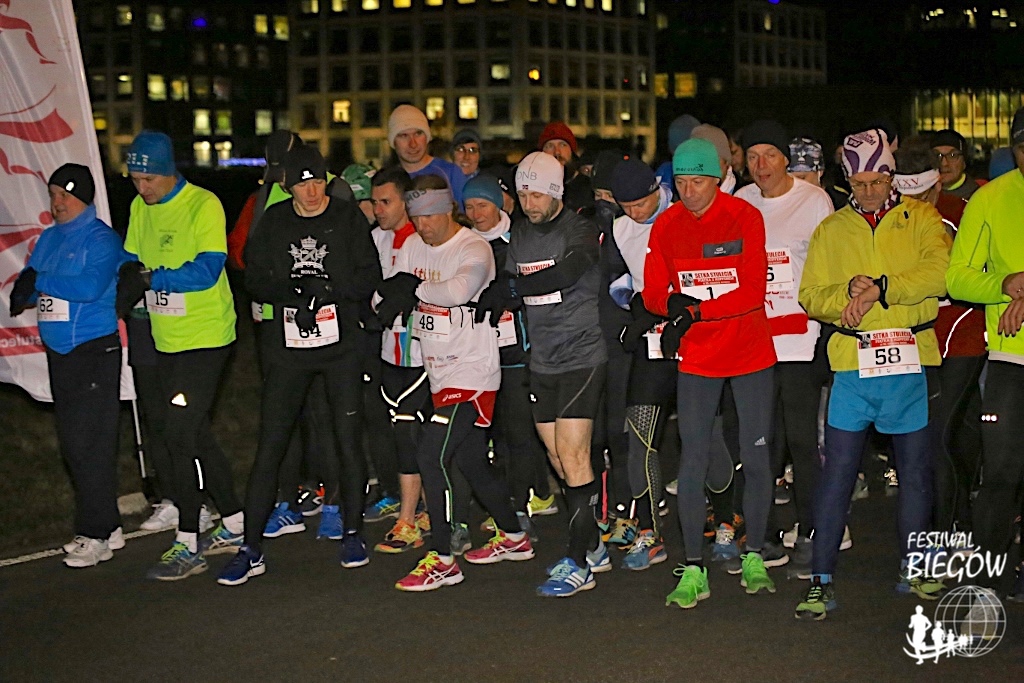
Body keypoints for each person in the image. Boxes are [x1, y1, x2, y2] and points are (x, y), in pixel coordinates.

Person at [796, 129, 950, 620]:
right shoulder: (831, 229)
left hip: (909, 362)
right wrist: (846, 298)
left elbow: (940, 275)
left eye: (876, 181)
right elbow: (810, 295)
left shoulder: (922, 218)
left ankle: (915, 566)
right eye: (857, 183)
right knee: (837, 475)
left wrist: (882, 288)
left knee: (916, 475)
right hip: (853, 365)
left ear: (891, 177)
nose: (866, 191)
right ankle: (820, 579)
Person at [217, 145, 381, 585]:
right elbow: (254, 277)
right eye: (302, 184)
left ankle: (352, 531)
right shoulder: (275, 221)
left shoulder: (346, 218)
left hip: (340, 345)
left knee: (347, 437)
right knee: (272, 441)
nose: (311, 192)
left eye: (318, 182)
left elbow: (369, 275)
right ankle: (250, 547)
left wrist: (328, 292)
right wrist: (294, 293)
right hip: (288, 346)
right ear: (287, 185)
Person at [380, 175, 534, 591]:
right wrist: (392, 295)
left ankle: (444, 557)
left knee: (431, 455)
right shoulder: (412, 246)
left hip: (473, 372)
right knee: (470, 463)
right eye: (416, 217)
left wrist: (413, 287)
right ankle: (514, 536)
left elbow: (458, 290)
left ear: (448, 210)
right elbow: (389, 290)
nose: (423, 225)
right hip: (438, 371)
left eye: (430, 216)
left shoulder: (473, 247)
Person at [643, 138, 778, 609]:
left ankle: (755, 554)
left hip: (749, 353)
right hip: (699, 358)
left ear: (718, 179)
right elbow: (652, 291)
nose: (689, 191)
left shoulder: (744, 216)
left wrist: (695, 311)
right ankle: (694, 566)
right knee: (692, 460)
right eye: (680, 182)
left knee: (756, 457)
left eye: (698, 181)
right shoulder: (667, 224)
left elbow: (752, 291)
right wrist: (671, 303)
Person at [476, 151, 609, 597]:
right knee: (557, 456)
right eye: (523, 195)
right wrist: (499, 293)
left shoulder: (579, 229)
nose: (529, 203)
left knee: (574, 456)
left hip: (581, 356)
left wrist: (513, 287)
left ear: (556, 192)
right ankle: (594, 545)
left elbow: (565, 273)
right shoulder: (520, 233)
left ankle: (578, 562)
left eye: (537, 194)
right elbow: (511, 285)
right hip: (542, 360)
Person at [116, 130, 243, 581]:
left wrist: (152, 279)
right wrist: (127, 279)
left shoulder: (202, 204)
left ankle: (188, 539)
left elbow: (208, 270)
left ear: (169, 171)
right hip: (165, 338)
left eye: (149, 179)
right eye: (135, 180)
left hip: (206, 337)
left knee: (179, 434)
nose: (142, 188)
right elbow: (131, 258)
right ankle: (236, 521)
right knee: (194, 433)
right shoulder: (140, 207)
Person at [8, 164, 125, 567]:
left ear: (84, 198)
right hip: (60, 353)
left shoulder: (101, 239)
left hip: (93, 350)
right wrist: (25, 286)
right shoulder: (50, 237)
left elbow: (89, 287)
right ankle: (109, 524)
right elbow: (32, 276)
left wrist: (40, 281)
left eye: (64, 195)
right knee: (75, 443)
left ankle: (95, 534)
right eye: (53, 194)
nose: (56, 203)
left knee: (89, 443)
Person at [736, 120, 835, 578]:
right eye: (753, 156)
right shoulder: (741, 200)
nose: (761, 165)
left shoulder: (813, 200)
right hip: (754, 341)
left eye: (770, 155)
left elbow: (828, 266)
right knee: (761, 440)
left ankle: (812, 532)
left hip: (800, 339)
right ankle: (764, 535)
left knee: (801, 440)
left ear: (785, 158)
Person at [946, 107, 1024, 598]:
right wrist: (1005, 283)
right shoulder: (990, 198)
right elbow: (957, 278)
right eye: (1023, 146)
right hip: (1012, 361)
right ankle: (985, 583)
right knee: (1000, 474)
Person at [894, 141, 985, 536]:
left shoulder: (961, 212)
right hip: (919, 338)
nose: (915, 206)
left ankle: (948, 528)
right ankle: (960, 518)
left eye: (922, 197)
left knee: (940, 434)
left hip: (962, 335)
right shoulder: (894, 217)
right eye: (907, 198)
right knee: (955, 431)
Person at [463, 173, 547, 538]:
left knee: (519, 433)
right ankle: (500, 505)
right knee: (489, 434)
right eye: (469, 207)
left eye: (483, 205)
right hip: (477, 353)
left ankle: (520, 506)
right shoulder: (463, 243)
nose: (476, 213)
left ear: (498, 204)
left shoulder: (519, 238)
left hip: (517, 352)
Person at [607, 158, 676, 571]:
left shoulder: (682, 213)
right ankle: (649, 531)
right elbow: (618, 280)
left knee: (709, 436)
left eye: (641, 203)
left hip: (695, 337)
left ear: (656, 190)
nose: (634, 212)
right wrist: (634, 306)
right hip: (652, 340)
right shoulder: (620, 228)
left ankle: (726, 519)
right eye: (625, 205)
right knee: (640, 434)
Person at [366, 167, 433, 553]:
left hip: (421, 353)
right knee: (403, 435)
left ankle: (408, 520)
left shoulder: (423, 239)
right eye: (374, 201)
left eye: (386, 201)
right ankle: (425, 510)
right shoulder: (375, 238)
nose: (378, 209)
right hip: (386, 353)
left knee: (410, 434)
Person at [387, 104, 466, 208]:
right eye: (404, 136)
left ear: (427, 137)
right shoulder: (387, 180)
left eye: (418, 133)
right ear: (393, 142)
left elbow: (464, 214)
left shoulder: (451, 173)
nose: (413, 144)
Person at [538, 121, 592, 213]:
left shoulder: (590, 189)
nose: (557, 152)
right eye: (550, 146)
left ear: (572, 151)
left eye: (563, 145)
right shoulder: (535, 189)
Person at [931, 129, 983, 202]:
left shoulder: (978, 197)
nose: (944, 163)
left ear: (964, 161)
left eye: (952, 155)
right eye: (937, 155)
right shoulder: (921, 196)